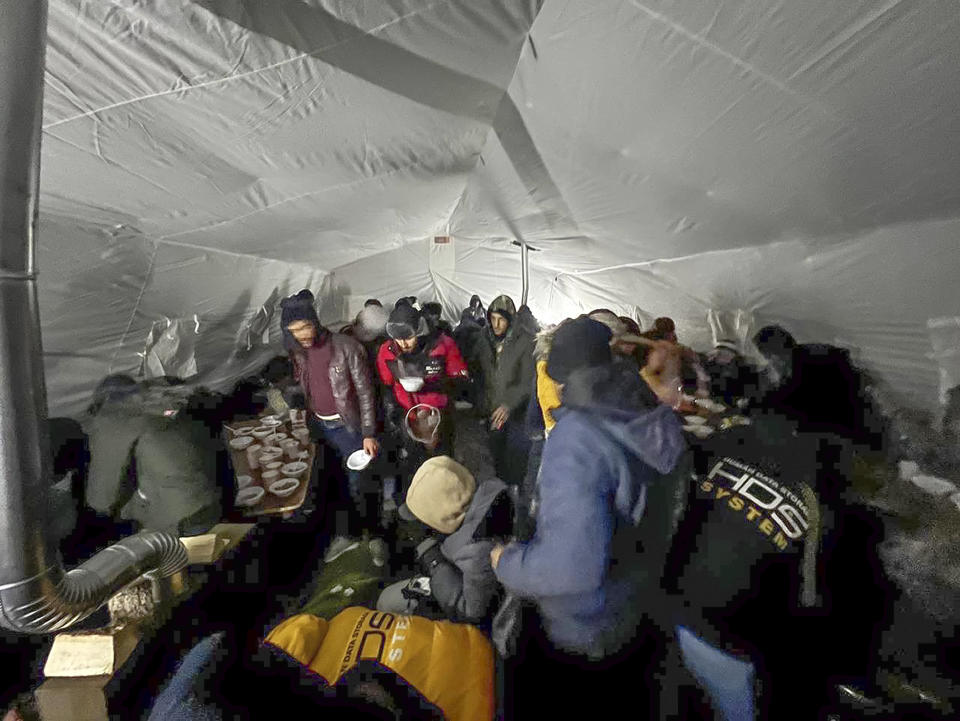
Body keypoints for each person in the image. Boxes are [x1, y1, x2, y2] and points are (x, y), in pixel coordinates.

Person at [491, 316, 687, 660]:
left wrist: (506, 562)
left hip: (583, 629)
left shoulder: (576, 438)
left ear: (564, 377)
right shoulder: (649, 414)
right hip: (636, 604)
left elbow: (570, 569)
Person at [660, 410, 824, 719]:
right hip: (726, 641)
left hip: (670, 606)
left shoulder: (722, 445)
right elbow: (806, 597)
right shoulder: (812, 501)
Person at [376, 456, 514, 624]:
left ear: (444, 517)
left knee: (385, 601)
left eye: (425, 517)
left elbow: (470, 611)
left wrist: (434, 562)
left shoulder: (475, 552)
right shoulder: (494, 490)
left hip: (478, 612)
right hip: (469, 576)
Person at [281, 290, 379, 524]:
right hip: (320, 426)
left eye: (304, 326)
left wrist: (368, 433)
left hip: (347, 426)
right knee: (331, 480)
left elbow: (366, 393)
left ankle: (366, 527)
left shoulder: (347, 347)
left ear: (314, 321)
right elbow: (306, 384)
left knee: (357, 482)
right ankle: (341, 526)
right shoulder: (300, 353)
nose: (301, 335)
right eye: (294, 331)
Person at [83, 374, 221, 536]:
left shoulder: (114, 422)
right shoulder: (164, 403)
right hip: (212, 495)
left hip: (181, 516)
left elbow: (102, 498)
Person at [376, 303, 468, 463]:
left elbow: (461, 379)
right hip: (408, 412)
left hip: (437, 412)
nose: (403, 344)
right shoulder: (387, 351)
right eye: (398, 339)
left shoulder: (442, 345)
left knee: (442, 458)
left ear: (419, 330)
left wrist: (433, 384)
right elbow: (387, 382)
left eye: (409, 338)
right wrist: (394, 410)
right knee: (414, 459)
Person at [475, 295, 537, 486]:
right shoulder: (483, 339)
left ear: (510, 320)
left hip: (515, 414)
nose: (496, 324)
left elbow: (528, 381)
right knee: (491, 460)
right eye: (492, 318)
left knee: (514, 461)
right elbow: (477, 373)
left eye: (501, 319)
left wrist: (509, 404)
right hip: (489, 409)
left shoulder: (525, 342)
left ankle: (514, 496)